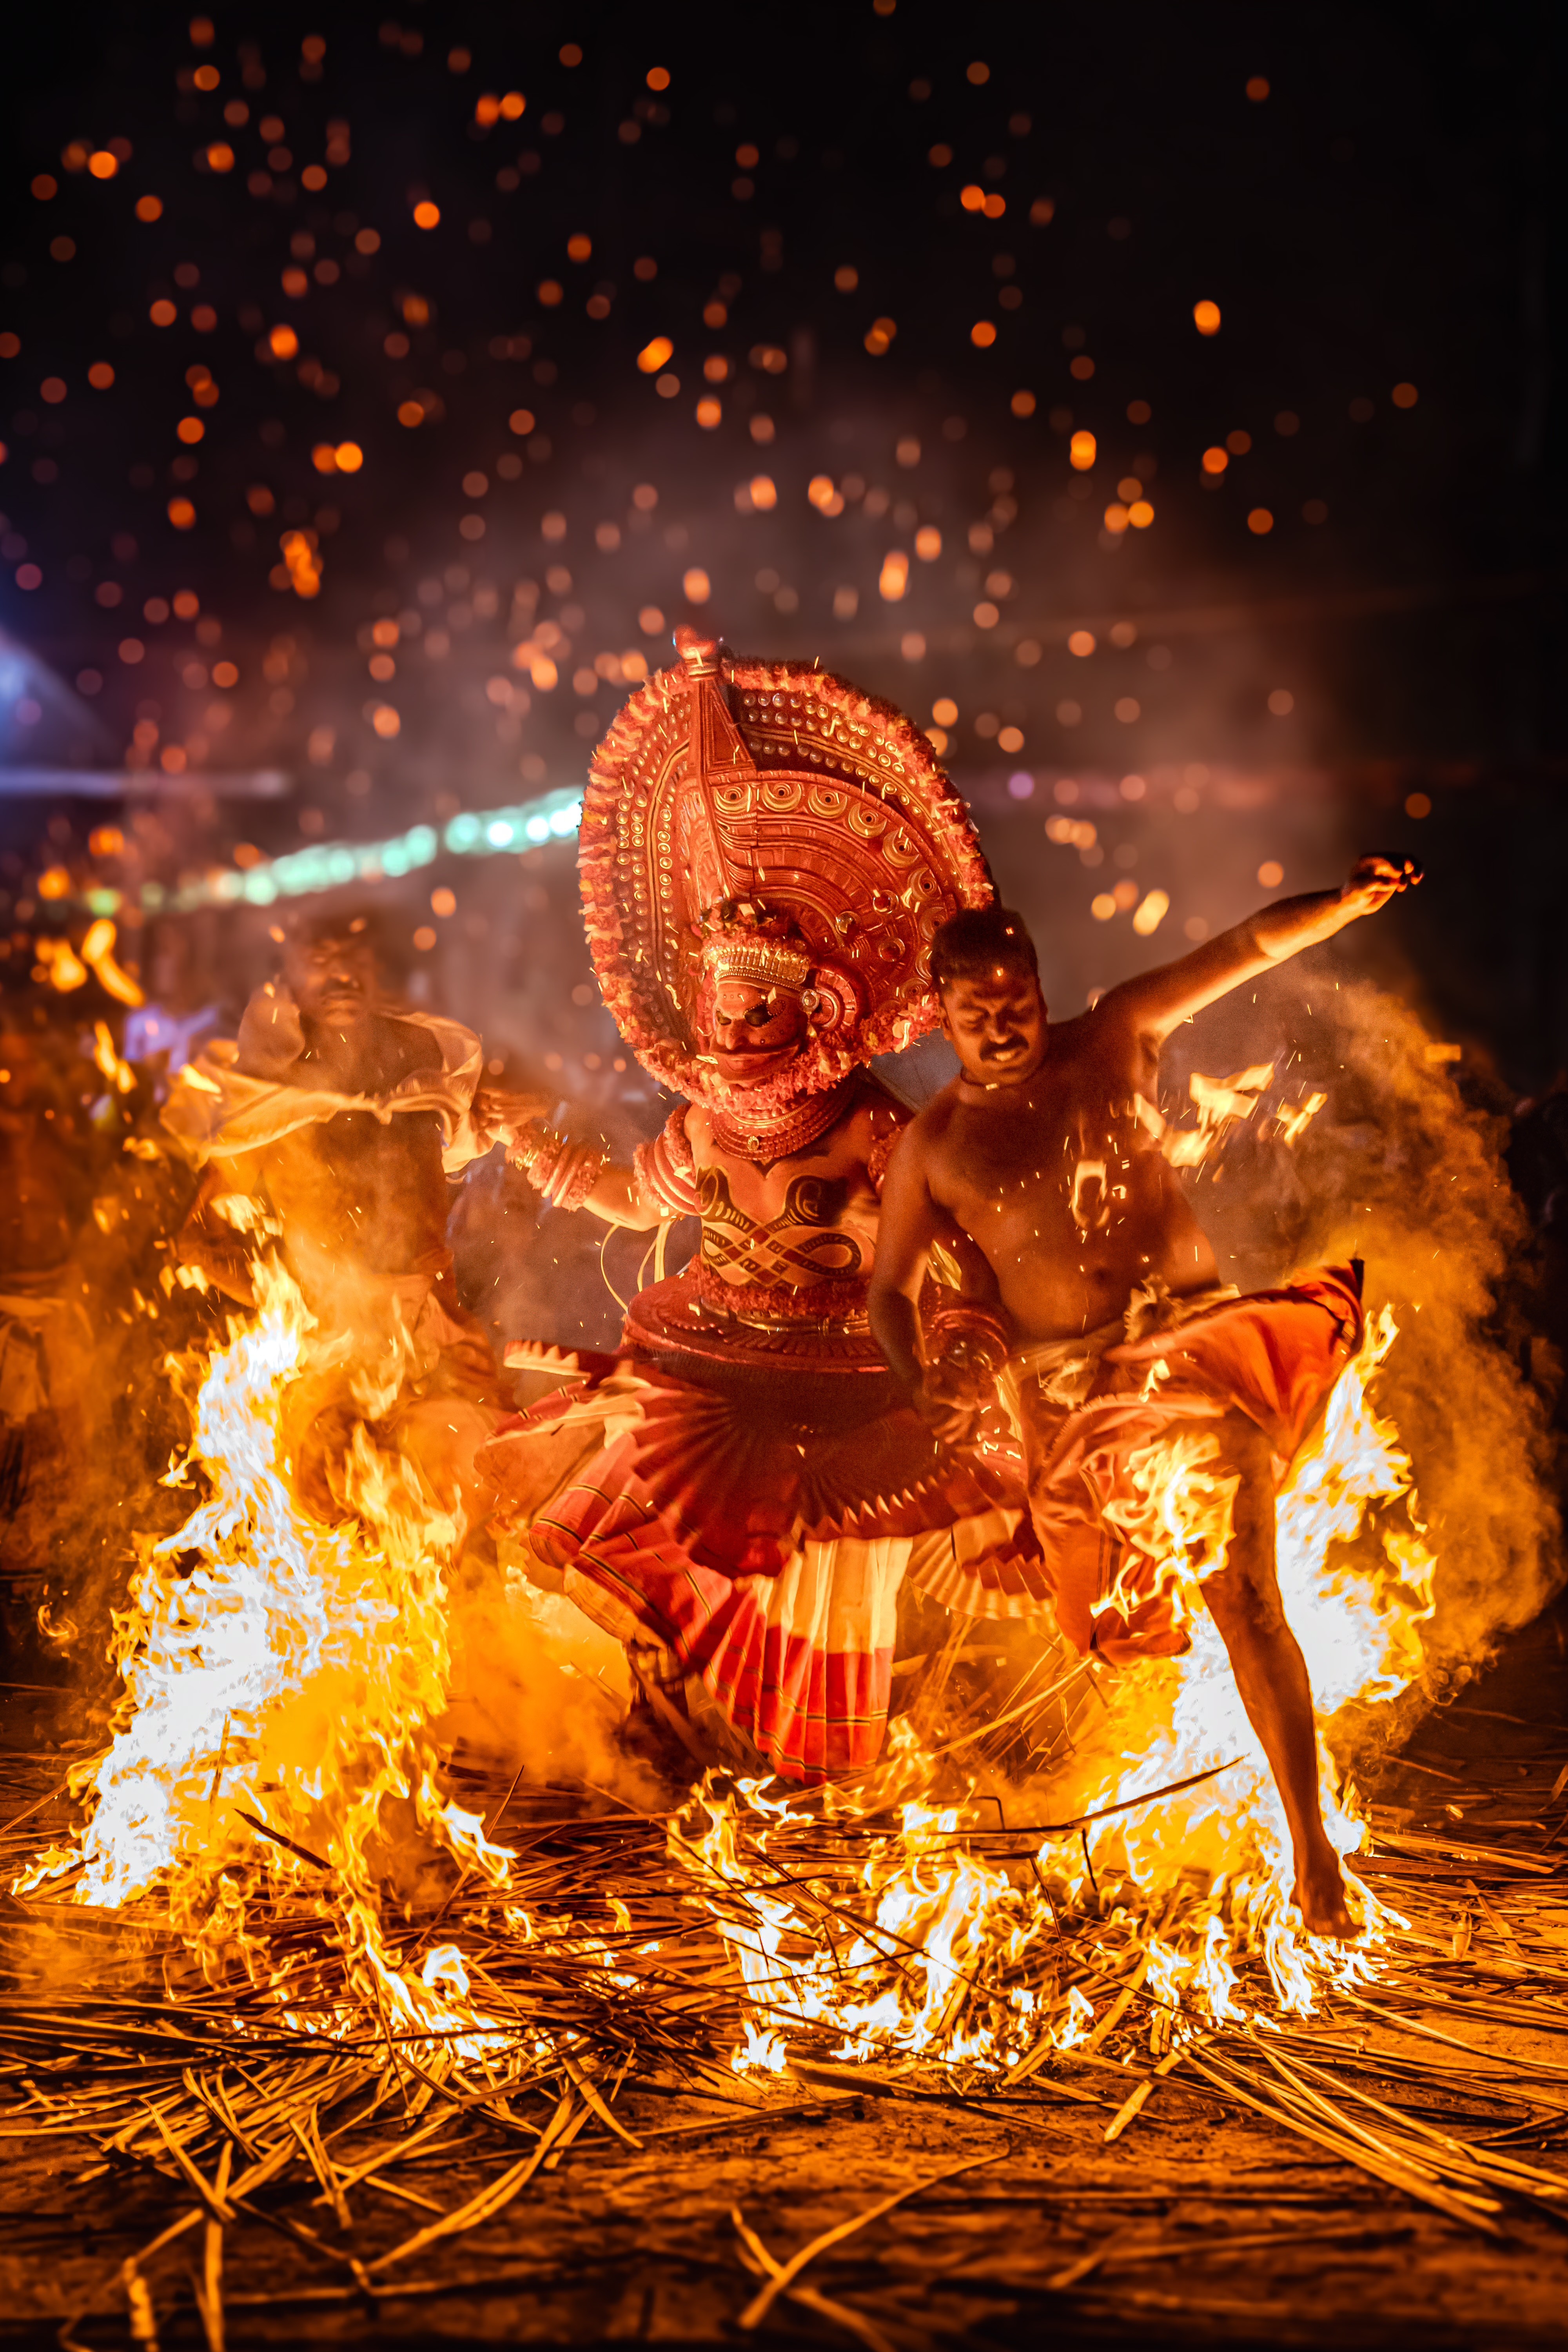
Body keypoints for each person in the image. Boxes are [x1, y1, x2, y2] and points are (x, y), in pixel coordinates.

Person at [480, 630, 1032, 1780]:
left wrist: (968, 1352)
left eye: (756, 1015)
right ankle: (675, 1745)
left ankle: (782, 1783)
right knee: (662, 1556)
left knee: (801, 1607)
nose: (732, 1034)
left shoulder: (877, 1129)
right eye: (721, 1013)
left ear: (815, 1011)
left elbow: (955, 1260)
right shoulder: (700, 1124)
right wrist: (522, 1143)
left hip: (836, 1405)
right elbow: (633, 1204)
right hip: (705, 1377)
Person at [866, 862, 1421, 1937]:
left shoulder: (1116, 1033)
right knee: (1114, 1628)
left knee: (1245, 1599)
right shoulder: (932, 1148)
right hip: (1071, 1409)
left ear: (1040, 985)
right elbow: (888, 1290)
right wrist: (918, 1379)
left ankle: (1313, 1851)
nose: (1002, 1026)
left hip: (1187, 1361)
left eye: (1017, 1002)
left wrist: (1338, 905)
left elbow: (1244, 949)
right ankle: (1140, 1825)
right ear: (942, 1013)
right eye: (976, 1013)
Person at [163, 914, 522, 1527]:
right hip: (333, 1341)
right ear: (291, 977)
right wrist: (296, 1301)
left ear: (378, 966)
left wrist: (525, 1109)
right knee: (333, 1501)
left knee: (465, 1497)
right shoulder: (266, 1095)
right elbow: (194, 1242)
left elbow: (500, 1117)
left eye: (352, 961)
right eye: (319, 965)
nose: (340, 981)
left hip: (430, 1324)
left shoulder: (429, 1053)